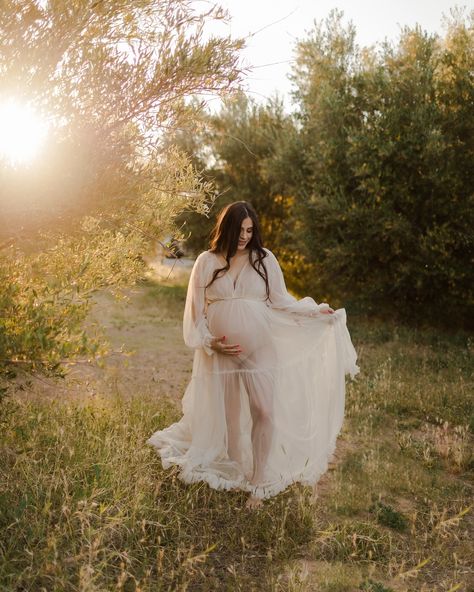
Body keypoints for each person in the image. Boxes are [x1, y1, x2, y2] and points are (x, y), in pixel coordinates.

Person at [147, 201, 360, 509]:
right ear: (227, 229)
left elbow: (281, 300)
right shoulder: (207, 262)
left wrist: (314, 311)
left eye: (250, 230)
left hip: (260, 347)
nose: (245, 236)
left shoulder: (264, 259)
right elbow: (193, 314)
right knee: (231, 417)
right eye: (240, 230)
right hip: (221, 351)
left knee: (264, 410)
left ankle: (258, 483)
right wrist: (210, 342)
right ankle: (237, 473)